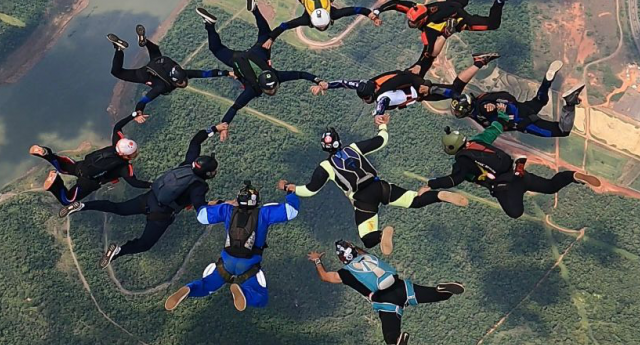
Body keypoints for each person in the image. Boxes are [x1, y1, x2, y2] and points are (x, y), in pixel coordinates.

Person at [279, 117, 467, 254]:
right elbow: (381, 141)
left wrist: (290, 187)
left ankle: (382, 235)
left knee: (367, 239)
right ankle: (439, 195)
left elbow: (310, 190)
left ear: (323, 147)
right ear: (339, 141)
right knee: (415, 200)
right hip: (380, 187)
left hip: (363, 200)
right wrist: (383, 124)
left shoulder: (325, 167)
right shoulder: (353, 148)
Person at [58, 125, 224, 267]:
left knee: (118, 208)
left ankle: (83, 206)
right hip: (160, 215)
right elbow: (200, 209)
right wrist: (223, 204)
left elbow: (195, 141)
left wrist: (215, 129)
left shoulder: (188, 163)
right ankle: (119, 251)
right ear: (208, 174)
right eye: (214, 171)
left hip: (149, 198)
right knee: (145, 244)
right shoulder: (199, 187)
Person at [196, 0, 328, 140]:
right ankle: (210, 25)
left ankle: (254, 9)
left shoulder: (275, 78)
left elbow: (301, 74)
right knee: (217, 48)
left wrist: (319, 81)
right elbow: (235, 107)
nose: (273, 91)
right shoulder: (254, 89)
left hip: (258, 54)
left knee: (265, 34)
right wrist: (224, 124)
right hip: (238, 59)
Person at [430, 112, 601, 218]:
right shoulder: (477, 142)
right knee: (550, 186)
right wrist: (502, 116)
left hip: (505, 186)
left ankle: (520, 174)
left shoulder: (462, 163)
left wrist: (433, 184)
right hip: (515, 174)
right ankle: (572, 176)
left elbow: (454, 180)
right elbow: (494, 129)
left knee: (515, 213)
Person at [164, 181, 300, 312]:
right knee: (261, 298)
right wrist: (288, 189)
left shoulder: (228, 210)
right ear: (256, 201)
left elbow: (202, 216)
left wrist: (214, 203)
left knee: (207, 286)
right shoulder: (264, 213)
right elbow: (291, 211)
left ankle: (189, 289)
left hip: (226, 261)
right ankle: (245, 294)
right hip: (249, 264)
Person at [373, 0, 517, 75]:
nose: (411, 23)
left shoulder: (429, 29)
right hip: (453, 3)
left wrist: (418, 67)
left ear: (421, 21)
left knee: (493, 24)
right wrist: (377, 11)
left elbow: (428, 53)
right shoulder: (418, 8)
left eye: (414, 22)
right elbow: (395, 3)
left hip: (460, 20)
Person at [308, 240, 465, 345]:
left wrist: (317, 260)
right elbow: (360, 251)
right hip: (402, 287)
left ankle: (397, 340)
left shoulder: (345, 273)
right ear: (355, 251)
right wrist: (354, 247)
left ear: (342, 260)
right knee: (434, 295)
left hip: (385, 301)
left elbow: (325, 277)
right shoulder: (368, 257)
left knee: (390, 336)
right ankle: (441, 290)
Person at [315, 53, 500, 118]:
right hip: (412, 79)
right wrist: (326, 85)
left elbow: (382, 103)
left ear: (370, 96)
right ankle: (445, 33)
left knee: (455, 91)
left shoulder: (382, 94)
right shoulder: (365, 85)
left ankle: (479, 61)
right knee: (428, 56)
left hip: (418, 87)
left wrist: (378, 116)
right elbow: (344, 83)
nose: (366, 101)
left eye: (367, 99)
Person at [106, 24, 233, 117]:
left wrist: (227, 73)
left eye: (184, 81)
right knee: (117, 72)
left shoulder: (184, 73)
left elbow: (205, 74)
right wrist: (139, 111)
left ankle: (144, 42)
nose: (184, 84)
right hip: (146, 74)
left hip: (158, 62)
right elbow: (145, 99)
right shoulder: (161, 87)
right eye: (182, 83)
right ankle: (119, 49)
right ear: (174, 81)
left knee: (155, 50)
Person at [30, 113, 149, 205]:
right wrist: (152, 185)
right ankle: (55, 184)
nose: (136, 153)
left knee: (63, 167)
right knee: (67, 200)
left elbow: (117, 127)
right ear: (126, 156)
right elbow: (135, 183)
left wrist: (133, 115)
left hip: (81, 166)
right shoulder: (124, 167)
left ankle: (46, 154)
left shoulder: (116, 142)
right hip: (88, 182)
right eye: (134, 153)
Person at [451, 60, 584, 138]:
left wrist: (495, 109)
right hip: (521, 108)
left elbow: (493, 116)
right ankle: (547, 79)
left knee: (562, 131)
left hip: (522, 121)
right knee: (540, 101)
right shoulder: (480, 99)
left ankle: (570, 103)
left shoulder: (481, 108)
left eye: (459, 112)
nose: (458, 114)